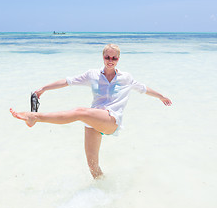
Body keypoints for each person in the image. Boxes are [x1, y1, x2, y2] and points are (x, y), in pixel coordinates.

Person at [10, 44, 172, 179]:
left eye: (114, 58)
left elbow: (143, 89)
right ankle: (104, 189)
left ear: (118, 59)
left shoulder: (126, 78)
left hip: (111, 120)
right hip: (93, 119)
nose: (110, 60)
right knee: (92, 165)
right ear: (103, 57)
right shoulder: (92, 75)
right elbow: (67, 81)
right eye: (107, 57)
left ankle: (34, 117)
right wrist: (43, 89)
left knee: (80, 111)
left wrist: (161, 96)